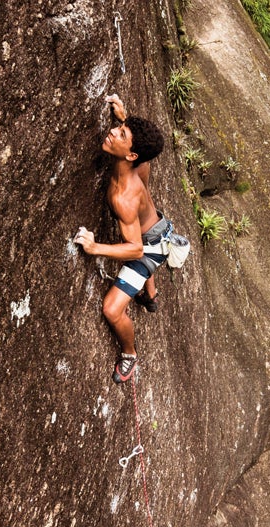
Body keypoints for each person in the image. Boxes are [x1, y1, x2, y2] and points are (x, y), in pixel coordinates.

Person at [74, 94, 167, 384]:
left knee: (112, 309)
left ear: (131, 155)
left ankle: (130, 355)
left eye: (121, 133)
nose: (113, 132)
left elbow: (135, 248)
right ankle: (149, 296)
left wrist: (93, 247)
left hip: (148, 249)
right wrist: (124, 117)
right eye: (119, 128)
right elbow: (139, 141)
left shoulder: (123, 197)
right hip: (156, 229)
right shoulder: (141, 161)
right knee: (137, 238)